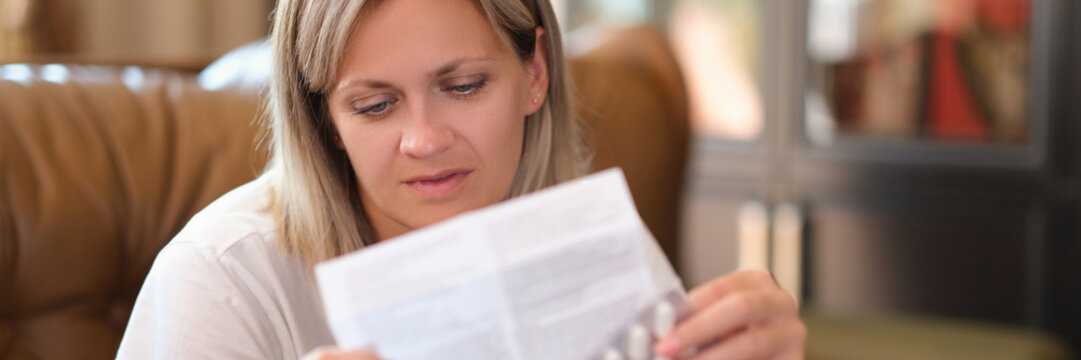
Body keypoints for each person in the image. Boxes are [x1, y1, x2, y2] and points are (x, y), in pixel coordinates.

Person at [116, 0, 806, 359]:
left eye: (465, 86)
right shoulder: (220, 280)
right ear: (323, 117)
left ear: (534, 74)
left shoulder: (585, 246)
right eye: (375, 105)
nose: (424, 140)